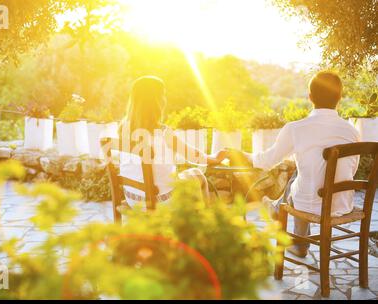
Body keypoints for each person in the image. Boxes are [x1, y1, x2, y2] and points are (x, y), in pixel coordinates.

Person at [227, 71, 360, 258]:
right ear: (339, 98)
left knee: (297, 180)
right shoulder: (352, 131)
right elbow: (352, 169)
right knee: (300, 176)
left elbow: (267, 160)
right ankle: (281, 216)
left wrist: (245, 156)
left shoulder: (296, 128)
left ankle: (295, 238)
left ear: (310, 97)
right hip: (342, 204)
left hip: (311, 204)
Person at [119, 76, 227, 208]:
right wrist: (214, 158)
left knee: (180, 177)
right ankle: (201, 223)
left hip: (133, 198)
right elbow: (194, 156)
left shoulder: (123, 128)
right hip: (159, 200)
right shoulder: (163, 132)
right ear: (156, 101)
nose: (165, 99)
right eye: (162, 95)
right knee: (198, 175)